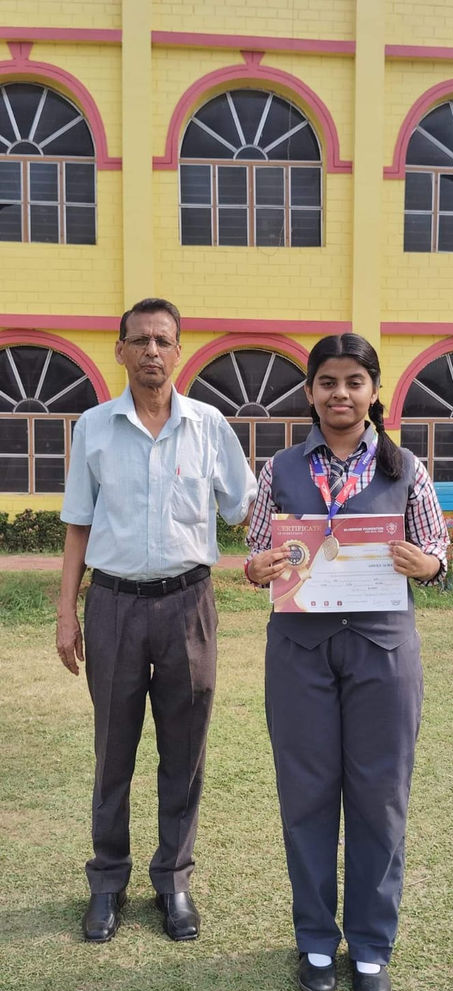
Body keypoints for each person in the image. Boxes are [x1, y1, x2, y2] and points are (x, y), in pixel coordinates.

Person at [245, 333, 448, 991]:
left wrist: (428, 564)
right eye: (327, 382)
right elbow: (255, 552)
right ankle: (313, 940)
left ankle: (368, 945)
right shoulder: (280, 468)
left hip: (382, 652)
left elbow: (437, 551)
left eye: (353, 381)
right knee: (305, 795)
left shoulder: (406, 468)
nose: (340, 393)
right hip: (299, 651)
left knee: (379, 798)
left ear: (373, 390)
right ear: (309, 392)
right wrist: (257, 568)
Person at [56, 297, 257, 944]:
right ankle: (107, 880)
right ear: (119, 350)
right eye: (139, 339)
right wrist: (66, 612)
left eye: (162, 340)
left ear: (178, 350)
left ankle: (173, 879)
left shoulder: (208, 426)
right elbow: (78, 524)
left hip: (188, 607)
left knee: (184, 750)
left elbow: (246, 508)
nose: (151, 351)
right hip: (113, 606)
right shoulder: (93, 427)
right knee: (112, 750)